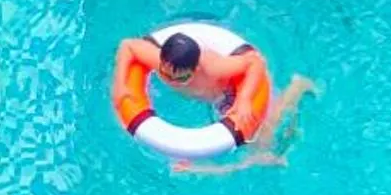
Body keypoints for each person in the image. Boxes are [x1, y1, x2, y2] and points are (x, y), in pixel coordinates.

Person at [109, 32, 315, 169]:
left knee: (262, 148)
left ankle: (297, 87)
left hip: (227, 95)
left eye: (180, 77)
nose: (171, 80)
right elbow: (127, 45)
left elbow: (255, 63)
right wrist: (120, 85)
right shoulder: (159, 60)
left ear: (195, 68)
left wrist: (243, 100)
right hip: (207, 99)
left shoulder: (212, 67)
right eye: (165, 73)